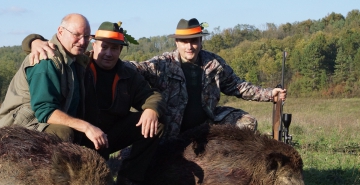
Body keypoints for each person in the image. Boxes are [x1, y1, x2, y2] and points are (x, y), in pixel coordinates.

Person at [26, 18, 287, 142]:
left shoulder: (214, 64)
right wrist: (33, 40)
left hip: (207, 120)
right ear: (177, 42)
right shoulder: (161, 63)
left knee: (247, 123)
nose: (190, 47)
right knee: (159, 137)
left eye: (194, 41)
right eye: (184, 41)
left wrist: (271, 94)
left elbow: (238, 87)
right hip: (172, 124)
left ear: (200, 41)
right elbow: (126, 66)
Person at [22, 21, 166, 185]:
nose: (108, 53)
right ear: (93, 44)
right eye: (104, 47)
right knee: (60, 133)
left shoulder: (127, 74)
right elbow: (59, 46)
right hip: (80, 135)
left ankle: (129, 179)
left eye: (114, 48)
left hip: (108, 135)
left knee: (156, 124)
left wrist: (151, 109)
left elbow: (151, 96)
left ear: (120, 51)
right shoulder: (80, 64)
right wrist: (33, 40)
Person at [0, 13, 107, 150]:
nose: (82, 42)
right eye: (76, 35)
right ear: (60, 31)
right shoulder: (45, 60)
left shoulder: (78, 62)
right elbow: (45, 111)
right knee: (62, 132)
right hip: (16, 129)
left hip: (41, 125)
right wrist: (86, 127)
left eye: (86, 37)